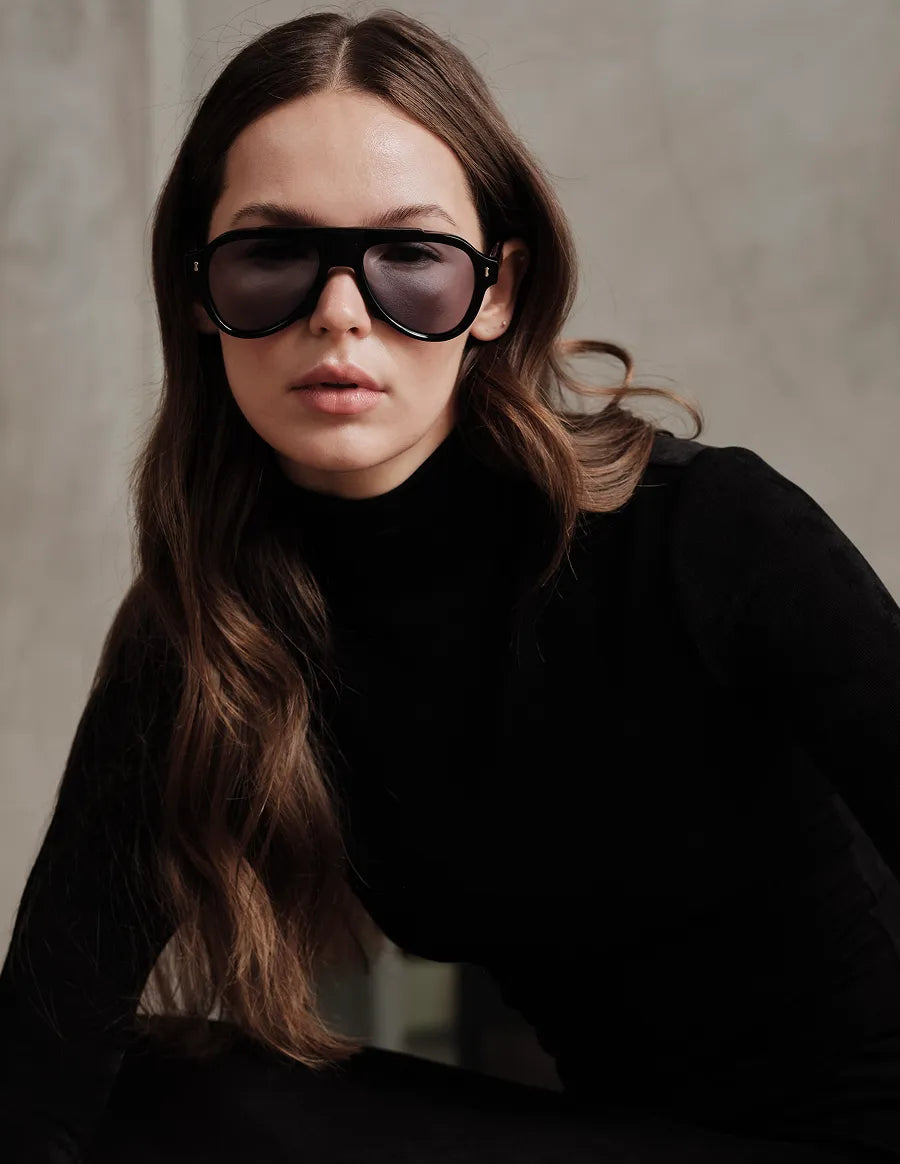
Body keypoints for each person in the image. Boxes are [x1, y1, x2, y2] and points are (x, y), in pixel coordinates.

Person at [2, 8, 899, 1162]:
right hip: (607, 1130)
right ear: (197, 292)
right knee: (149, 1088)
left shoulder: (706, 533)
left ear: (497, 292)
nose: (338, 311)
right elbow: (45, 1039)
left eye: (409, 259)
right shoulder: (214, 630)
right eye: (273, 253)